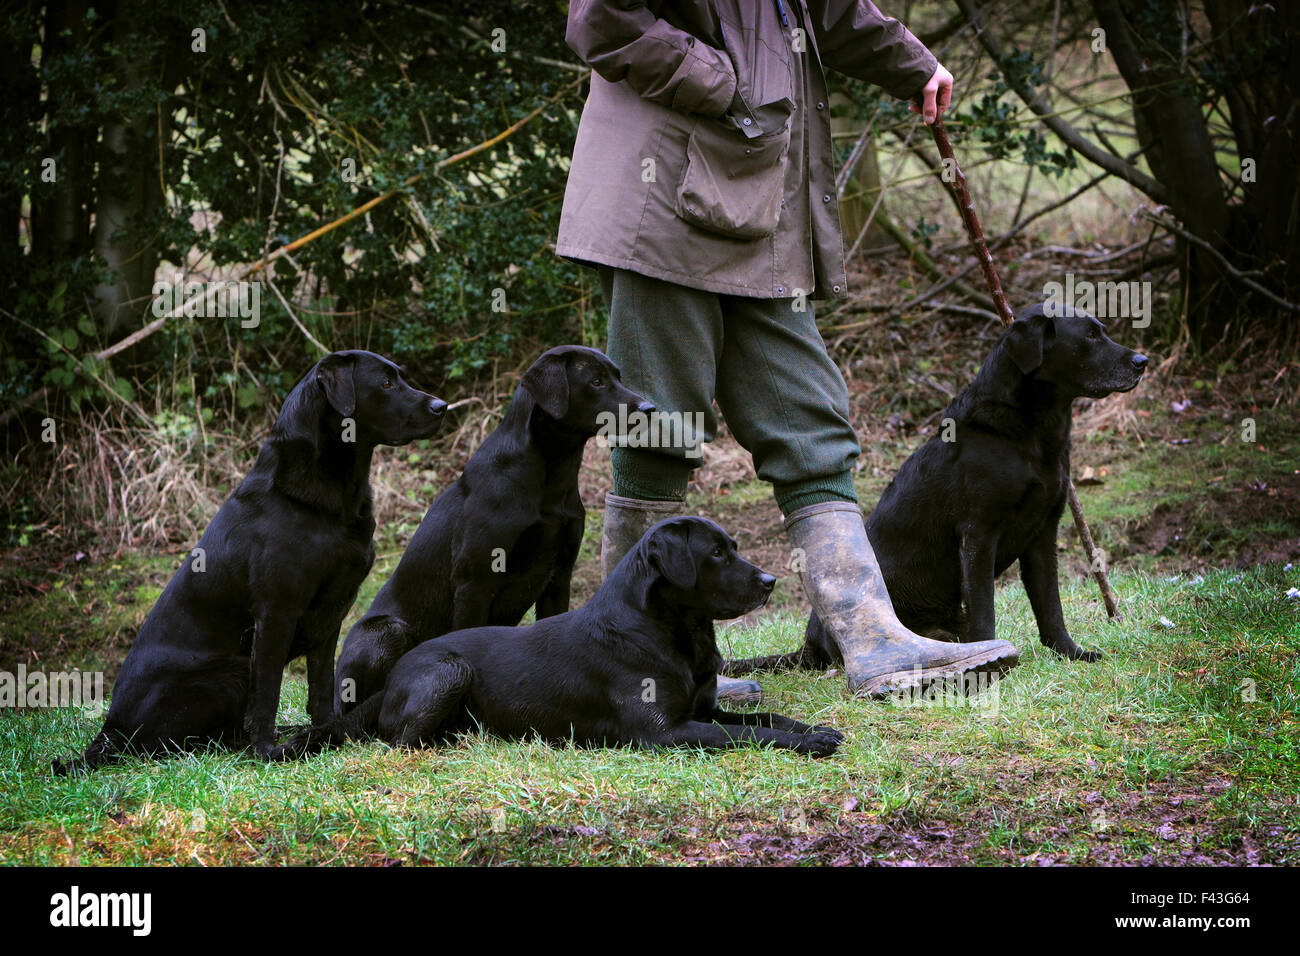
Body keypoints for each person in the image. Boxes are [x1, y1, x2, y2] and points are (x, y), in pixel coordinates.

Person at [557, 0, 1019, 702]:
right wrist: (725, 83)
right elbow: (602, 20)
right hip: (664, 207)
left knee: (810, 418)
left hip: (762, 205)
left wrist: (913, 64)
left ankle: (874, 641)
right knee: (657, 427)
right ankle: (635, 666)